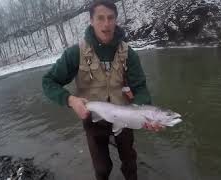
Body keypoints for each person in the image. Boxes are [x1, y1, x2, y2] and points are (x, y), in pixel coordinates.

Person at [42, 1, 163, 180]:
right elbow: (48, 82)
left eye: (110, 18)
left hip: (125, 116)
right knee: (102, 169)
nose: (106, 24)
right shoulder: (75, 53)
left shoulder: (129, 54)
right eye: (100, 18)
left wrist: (145, 111)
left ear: (116, 20)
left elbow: (140, 88)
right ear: (91, 20)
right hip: (92, 121)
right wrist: (71, 100)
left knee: (130, 163)